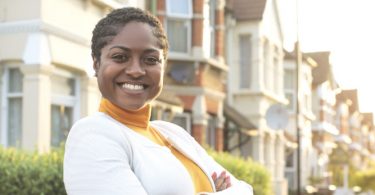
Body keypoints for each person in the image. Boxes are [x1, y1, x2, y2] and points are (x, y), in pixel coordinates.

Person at [63, 7, 253, 195]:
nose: (136, 70)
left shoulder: (173, 133)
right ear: (96, 64)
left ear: (163, 66)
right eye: (120, 57)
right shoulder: (92, 135)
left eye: (151, 59)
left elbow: (245, 190)